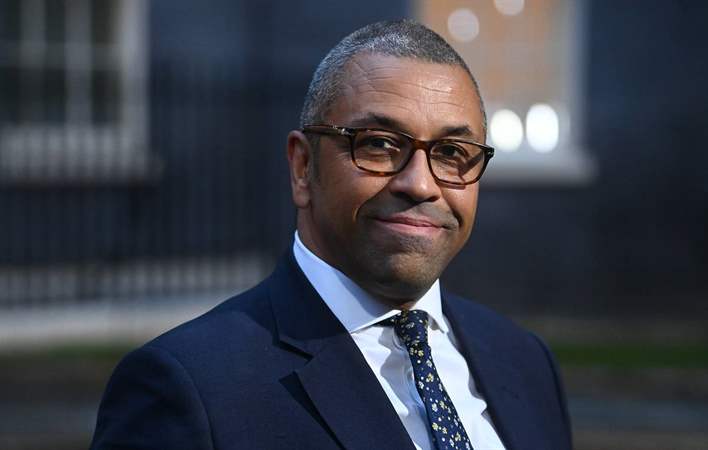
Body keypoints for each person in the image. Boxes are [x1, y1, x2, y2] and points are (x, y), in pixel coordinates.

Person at [91, 20, 572, 450]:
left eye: (451, 152)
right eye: (379, 144)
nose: (421, 184)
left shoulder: (524, 361)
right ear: (303, 167)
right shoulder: (189, 387)